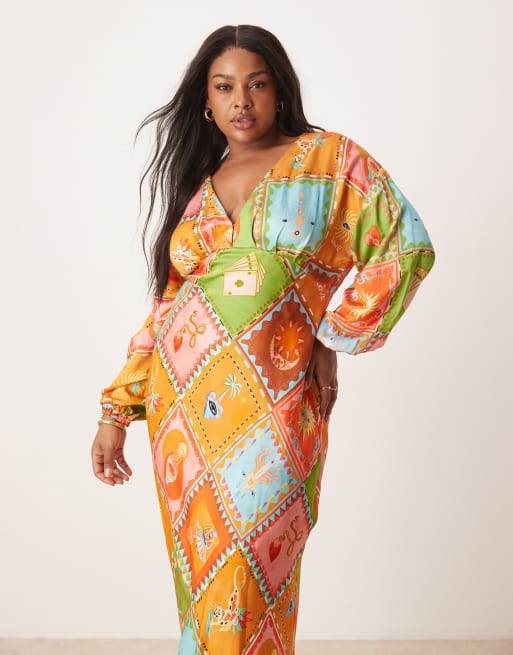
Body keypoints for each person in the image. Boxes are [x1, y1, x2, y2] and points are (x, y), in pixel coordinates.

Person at [91, 24, 435, 655]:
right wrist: (116, 411)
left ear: (280, 91)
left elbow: (403, 245)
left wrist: (331, 337)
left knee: (252, 567)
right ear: (206, 101)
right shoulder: (198, 184)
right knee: (206, 579)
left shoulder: (328, 160)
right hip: (184, 413)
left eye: (256, 85)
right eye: (224, 88)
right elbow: (167, 306)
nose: (241, 101)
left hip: (277, 400)